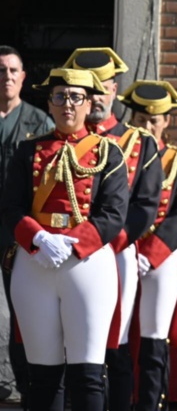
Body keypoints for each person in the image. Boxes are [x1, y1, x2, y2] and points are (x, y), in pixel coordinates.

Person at [0, 68, 129, 411]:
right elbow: (10, 206)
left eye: (75, 97)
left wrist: (74, 242)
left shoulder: (108, 154)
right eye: (59, 96)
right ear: (50, 103)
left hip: (86, 263)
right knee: (42, 375)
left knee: (87, 373)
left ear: (89, 104)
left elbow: (114, 213)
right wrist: (38, 237)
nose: (67, 104)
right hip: (36, 260)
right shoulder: (28, 151)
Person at [62, 47, 163, 411]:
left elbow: (145, 206)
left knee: (114, 346)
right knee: (67, 347)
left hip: (115, 252)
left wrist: (105, 242)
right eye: (89, 89)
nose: (97, 96)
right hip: (65, 254)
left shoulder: (141, 142)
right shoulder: (60, 141)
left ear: (115, 89)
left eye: (102, 88)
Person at [119, 79, 177, 411]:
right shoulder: (114, 155)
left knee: (155, 337)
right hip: (120, 253)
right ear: (131, 120)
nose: (148, 127)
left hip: (161, 257)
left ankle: (151, 405)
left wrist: (150, 255)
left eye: (155, 120)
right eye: (141, 120)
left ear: (167, 121)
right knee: (116, 336)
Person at [0, 45, 54, 406]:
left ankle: (25, 384)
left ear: (23, 77)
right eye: (0, 70)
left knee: (22, 310)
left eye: (12, 71)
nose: (6, 77)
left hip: (16, 230)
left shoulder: (39, 122)